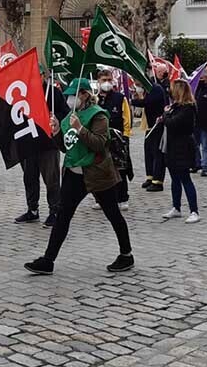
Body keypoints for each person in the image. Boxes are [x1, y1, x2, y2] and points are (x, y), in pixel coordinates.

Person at [24, 78, 133, 275]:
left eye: (73, 95)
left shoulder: (98, 116)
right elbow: (67, 147)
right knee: (63, 216)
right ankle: (48, 260)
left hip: (97, 173)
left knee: (112, 214)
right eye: (67, 95)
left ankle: (126, 254)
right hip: (74, 173)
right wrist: (57, 131)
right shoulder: (70, 117)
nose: (69, 99)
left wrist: (80, 129)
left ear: (84, 94)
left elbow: (99, 143)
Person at [15, 66, 68, 226]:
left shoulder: (53, 92)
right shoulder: (23, 92)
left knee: (51, 178)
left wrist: (53, 118)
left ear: (43, 75)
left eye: (37, 76)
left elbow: (65, 112)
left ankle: (55, 210)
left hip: (48, 144)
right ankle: (32, 209)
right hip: (28, 143)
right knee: (29, 177)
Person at [162, 79, 201, 223]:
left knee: (185, 178)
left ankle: (194, 211)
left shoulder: (188, 108)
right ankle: (176, 207)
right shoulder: (176, 106)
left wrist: (165, 116)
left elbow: (172, 123)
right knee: (174, 179)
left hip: (183, 147)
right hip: (172, 147)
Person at [95, 68, 133, 209]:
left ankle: (123, 197)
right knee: (100, 169)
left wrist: (126, 137)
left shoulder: (120, 98)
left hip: (118, 138)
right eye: (104, 80)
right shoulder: (95, 99)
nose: (107, 83)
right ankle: (102, 199)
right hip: (100, 139)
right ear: (98, 81)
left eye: (109, 80)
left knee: (120, 169)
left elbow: (126, 118)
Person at [131, 64, 169, 191]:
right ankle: (150, 176)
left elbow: (147, 103)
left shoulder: (156, 89)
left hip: (157, 125)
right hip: (149, 125)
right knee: (148, 152)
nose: (136, 85)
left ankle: (158, 181)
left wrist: (132, 101)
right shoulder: (148, 90)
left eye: (137, 82)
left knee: (157, 153)